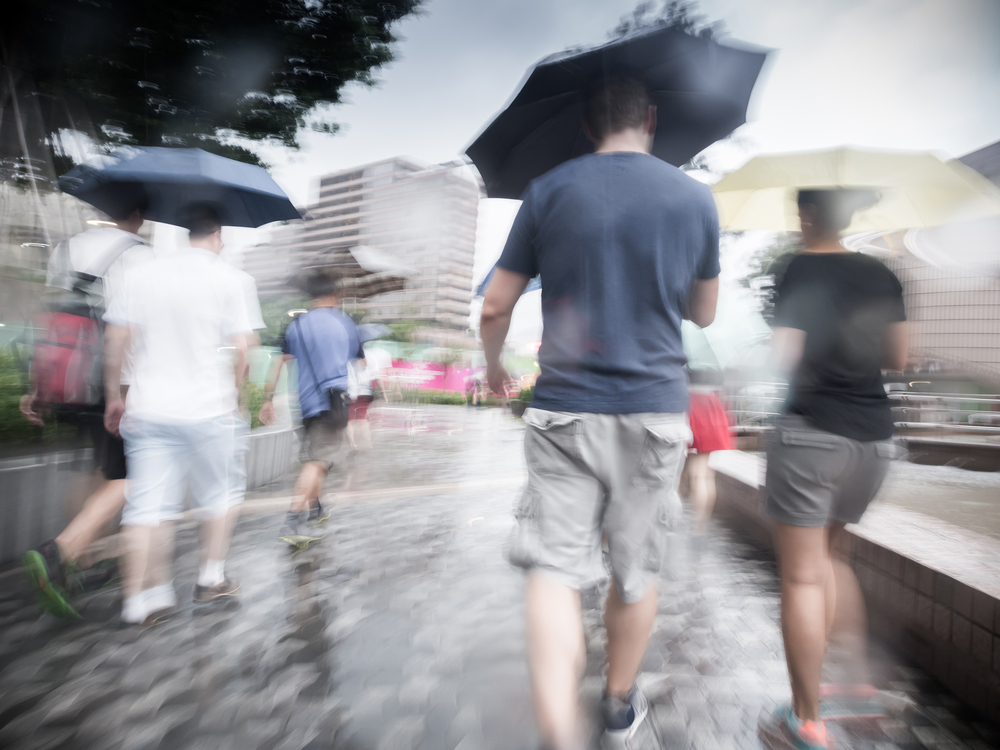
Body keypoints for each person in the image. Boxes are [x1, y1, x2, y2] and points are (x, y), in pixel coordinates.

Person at [480, 76, 720, 750]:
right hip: (653, 411)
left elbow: (496, 305)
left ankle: (559, 732)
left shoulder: (548, 190)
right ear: (649, 119)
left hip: (563, 410)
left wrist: (495, 369)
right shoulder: (693, 199)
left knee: (554, 570)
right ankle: (617, 705)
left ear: (586, 127)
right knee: (635, 569)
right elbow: (703, 311)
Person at [757, 189, 907, 750]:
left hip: (812, 432)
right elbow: (898, 357)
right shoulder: (882, 272)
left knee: (800, 576)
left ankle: (806, 720)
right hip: (872, 441)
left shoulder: (797, 267)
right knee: (832, 558)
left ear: (809, 215)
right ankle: (856, 687)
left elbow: (785, 355)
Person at [103, 203, 252, 625]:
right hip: (209, 409)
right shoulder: (230, 278)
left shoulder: (143, 273)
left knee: (148, 507)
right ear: (218, 235)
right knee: (220, 497)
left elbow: (115, 339)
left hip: (148, 408)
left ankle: (143, 599)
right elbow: (242, 350)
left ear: (185, 233)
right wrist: (237, 395)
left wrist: (115, 396)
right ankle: (210, 576)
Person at [20, 188, 153, 619]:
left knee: (91, 468)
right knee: (130, 475)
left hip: (67, 380)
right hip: (111, 381)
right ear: (137, 213)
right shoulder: (140, 256)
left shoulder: (68, 248)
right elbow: (132, 331)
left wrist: (36, 385)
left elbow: (47, 321)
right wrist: (122, 392)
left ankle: (88, 561)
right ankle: (62, 551)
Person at [258, 269, 362, 549]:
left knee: (320, 458)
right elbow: (358, 362)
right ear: (335, 295)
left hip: (304, 403)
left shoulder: (296, 325)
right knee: (317, 462)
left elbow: (281, 361)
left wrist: (268, 399)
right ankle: (293, 520)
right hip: (332, 403)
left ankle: (317, 508)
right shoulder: (345, 324)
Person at [684, 368, 733, 535]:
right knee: (705, 475)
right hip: (711, 406)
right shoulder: (711, 362)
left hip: (690, 405)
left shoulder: (686, 361)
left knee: (693, 475)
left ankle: (687, 528)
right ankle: (700, 528)